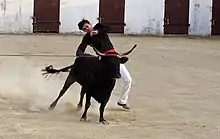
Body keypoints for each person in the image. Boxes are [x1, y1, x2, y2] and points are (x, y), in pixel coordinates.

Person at [76, 19, 132, 109]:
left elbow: (109, 28)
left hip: (114, 57)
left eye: (87, 26)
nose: (87, 29)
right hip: (103, 60)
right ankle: (94, 103)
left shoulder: (99, 27)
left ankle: (122, 101)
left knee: (128, 80)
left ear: (90, 24)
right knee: (99, 82)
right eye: (84, 29)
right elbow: (80, 50)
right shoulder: (87, 38)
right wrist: (81, 56)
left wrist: (97, 31)